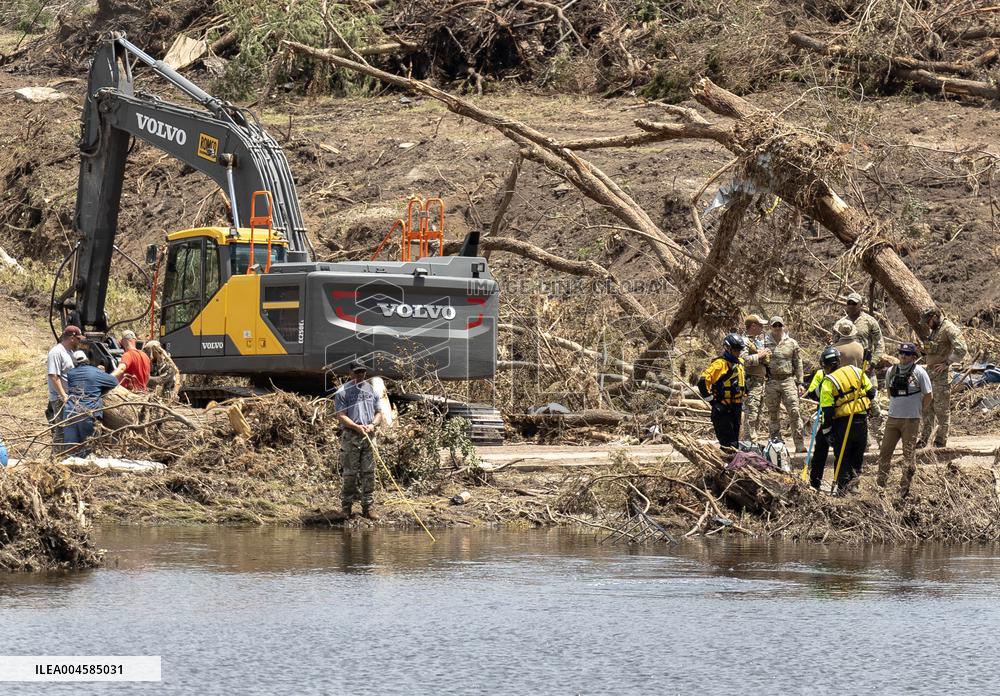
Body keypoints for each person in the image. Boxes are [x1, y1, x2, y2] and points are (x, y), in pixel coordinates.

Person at [878, 342, 932, 497]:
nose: (903, 356)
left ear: (914, 357)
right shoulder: (891, 371)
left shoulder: (920, 372)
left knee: (909, 454)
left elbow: (929, 395)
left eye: (907, 354)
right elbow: (889, 392)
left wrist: (919, 410)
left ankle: (904, 489)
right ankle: (880, 486)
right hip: (893, 419)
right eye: (901, 353)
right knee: (885, 452)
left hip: (911, 420)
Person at [820, 349, 876, 495]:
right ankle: (855, 486)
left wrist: (827, 430)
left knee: (842, 456)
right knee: (858, 454)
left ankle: (843, 489)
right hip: (861, 420)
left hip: (842, 423)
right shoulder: (856, 370)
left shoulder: (828, 381)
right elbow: (872, 393)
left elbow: (827, 410)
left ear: (825, 365)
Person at [334, 361, 384, 520]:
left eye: (362, 372)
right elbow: (341, 416)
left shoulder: (372, 390)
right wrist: (356, 427)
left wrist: (373, 424)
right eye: (356, 372)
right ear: (350, 373)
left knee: (369, 472)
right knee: (350, 473)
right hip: (351, 436)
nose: (360, 375)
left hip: (369, 436)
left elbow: (379, 413)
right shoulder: (343, 391)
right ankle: (346, 508)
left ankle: (368, 508)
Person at [917, 308, 968, 448]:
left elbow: (962, 348)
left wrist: (947, 363)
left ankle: (940, 441)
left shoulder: (949, 328)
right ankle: (925, 439)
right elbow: (935, 350)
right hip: (930, 374)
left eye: (928, 321)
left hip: (942, 377)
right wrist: (923, 351)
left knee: (942, 410)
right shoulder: (935, 329)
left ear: (934, 316)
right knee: (927, 409)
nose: (927, 324)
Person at [839, 292, 885, 440]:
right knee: (854, 407)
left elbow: (879, 344)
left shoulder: (869, 321)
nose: (851, 306)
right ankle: (863, 440)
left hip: (867, 370)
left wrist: (873, 363)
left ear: (860, 305)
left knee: (873, 404)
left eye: (854, 303)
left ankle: (880, 438)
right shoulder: (841, 323)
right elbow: (835, 345)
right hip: (848, 374)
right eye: (849, 303)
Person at [63, 350, 120, 457]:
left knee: (70, 448)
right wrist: (101, 374)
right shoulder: (95, 372)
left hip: (70, 412)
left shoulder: (70, 374)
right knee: (89, 448)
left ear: (74, 363)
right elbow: (114, 382)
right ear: (87, 360)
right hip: (88, 412)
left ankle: (70, 470)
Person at [763, 316, 805, 451]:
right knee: (773, 413)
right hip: (771, 381)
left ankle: (799, 444)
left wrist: (800, 382)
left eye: (779, 325)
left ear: (783, 326)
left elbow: (798, 363)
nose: (777, 328)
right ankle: (777, 445)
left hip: (788, 380)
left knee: (794, 411)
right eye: (774, 325)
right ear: (770, 327)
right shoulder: (763, 342)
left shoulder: (792, 343)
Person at [698, 333, 746, 449]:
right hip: (723, 409)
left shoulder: (739, 363)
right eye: (735, 350)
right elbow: (702, 382)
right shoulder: (720, 364)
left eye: (739, 350)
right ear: (728, 349)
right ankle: (725, 466)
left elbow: (742, 382)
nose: (738, 353)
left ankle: (732, 465)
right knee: (728, 444)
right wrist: (712, 402)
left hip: (736, 408)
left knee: (735, 442)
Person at [802, 347, 840, 490]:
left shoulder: (842, 374)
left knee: (840, 452)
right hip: (825, 417)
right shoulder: (820, 374)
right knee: (820, 450)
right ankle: (815, 482)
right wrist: (824, 389)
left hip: (841, 418)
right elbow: (812, 393)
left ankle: (838, 483)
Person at [46, 325, 83, 453]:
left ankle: (66, 456)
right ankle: (55, 460)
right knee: (61, 429)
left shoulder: (70, 353)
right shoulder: (56, 352)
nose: (80, 342)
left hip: (70, 397)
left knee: (70, 429)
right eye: (78, 339)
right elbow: (54, 376)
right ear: (72, 338)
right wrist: (63, 395)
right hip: (60, 399)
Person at [740, 314, 771, 442]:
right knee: (751, 415)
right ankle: (748, 444)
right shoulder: (744, 341)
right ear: (753, 326)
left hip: (760, 383)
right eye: (760, 325)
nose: (762, 327)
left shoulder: (757, 341)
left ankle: (754, 442)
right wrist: (760, 355)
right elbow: (742, 360)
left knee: (758, 415)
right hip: (750, 383)